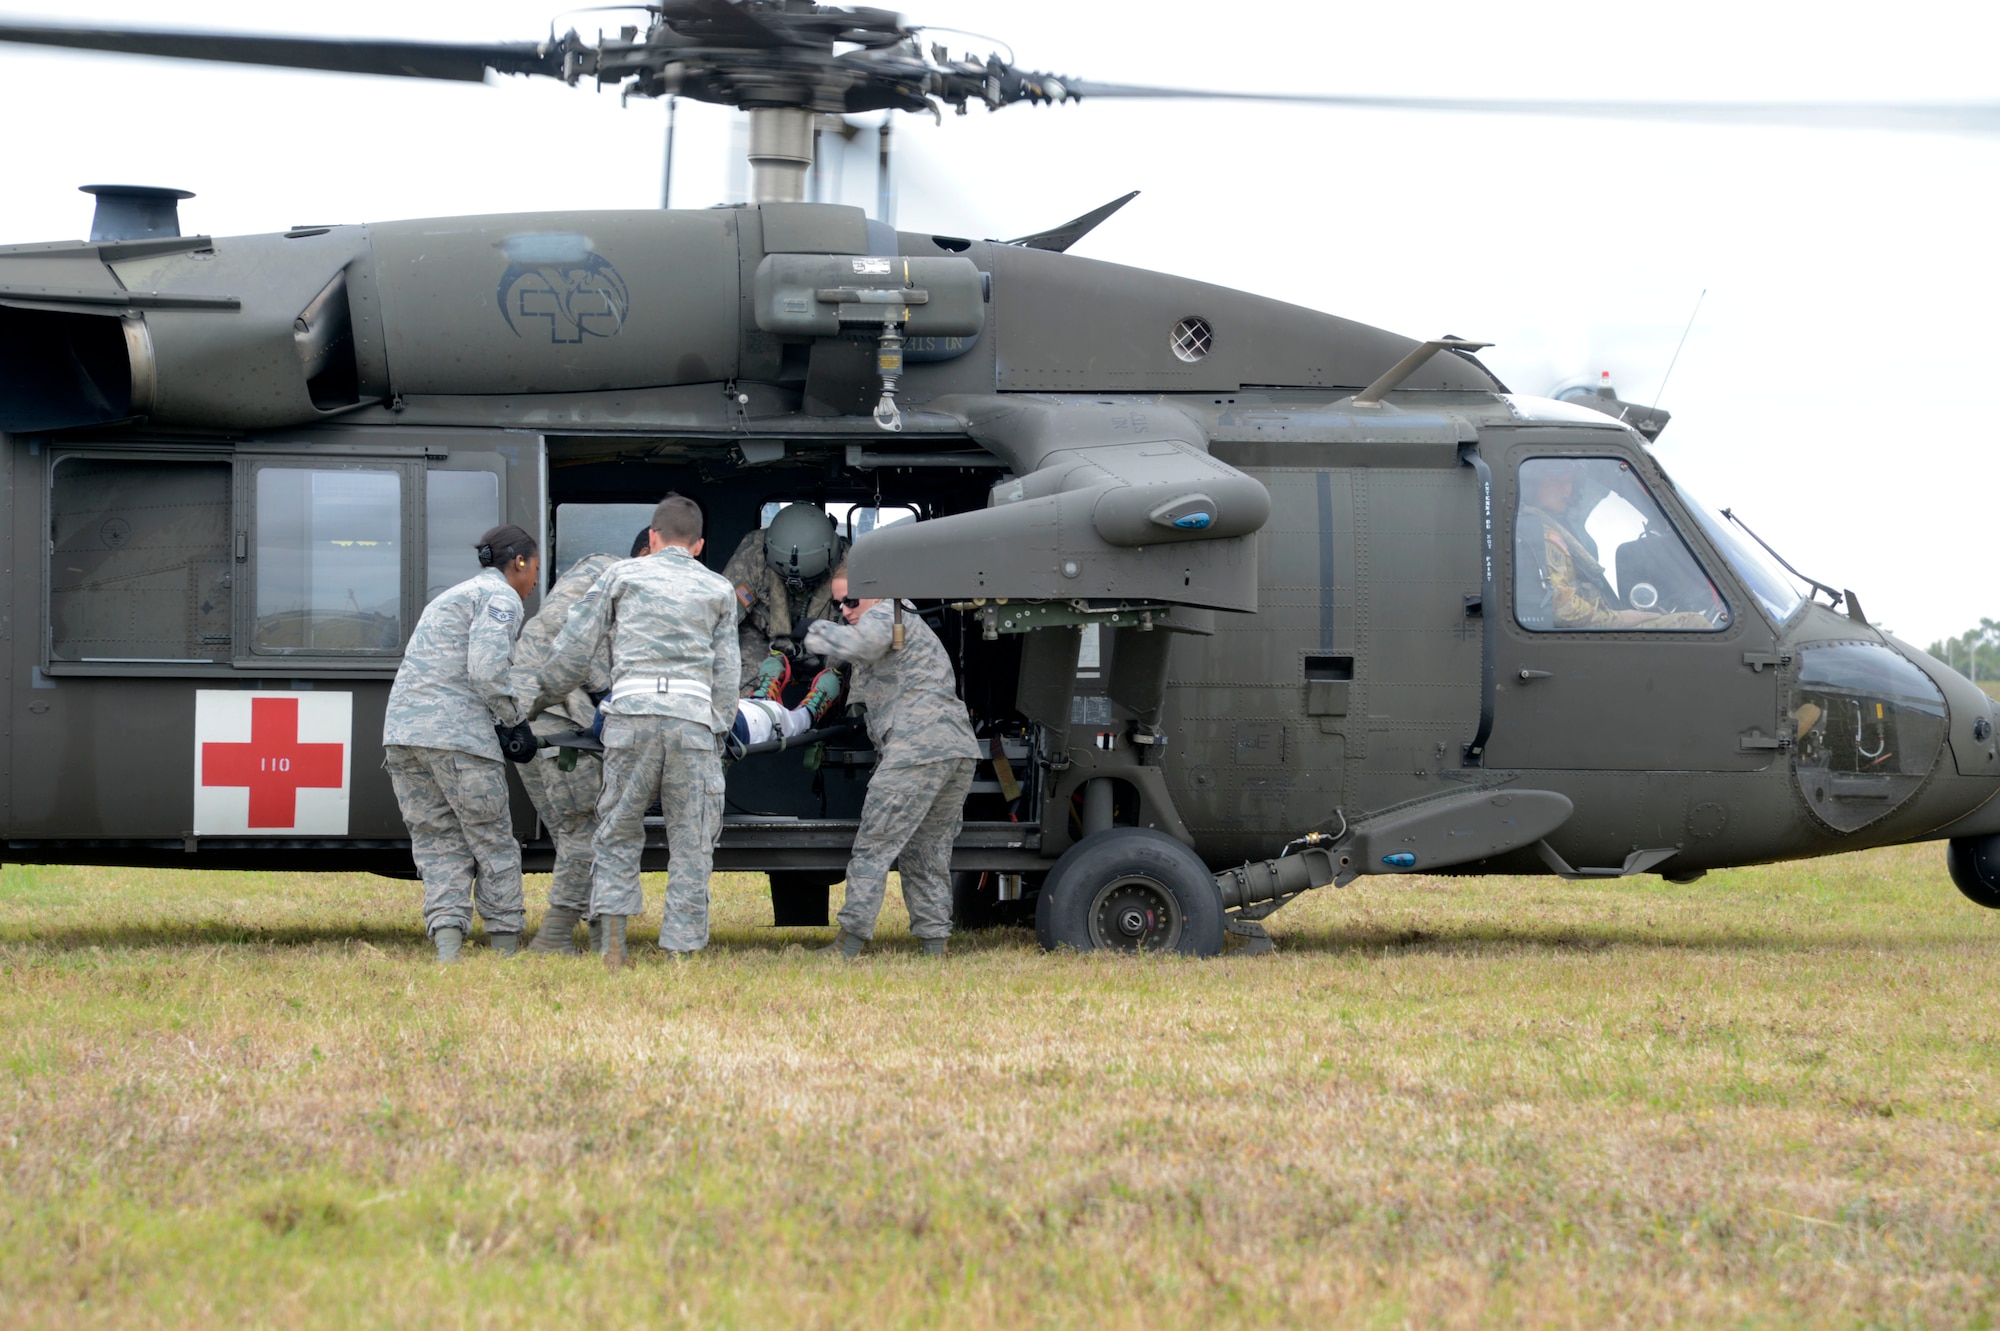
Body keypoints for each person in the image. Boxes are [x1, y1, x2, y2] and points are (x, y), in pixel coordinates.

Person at [527, 494, 738, 969]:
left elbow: (572, 652)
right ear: (699, 545)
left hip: (629, 718)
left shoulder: (620, 576)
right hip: (691, 720)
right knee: (691, 840)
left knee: (618, 832)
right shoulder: (718, 589)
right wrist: (718, 735)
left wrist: (541, 697)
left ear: (653, 537)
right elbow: (727, 675)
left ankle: (614, 946)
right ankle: (681, 953)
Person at [803, 563, 979, 959]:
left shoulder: (887, 612)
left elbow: (860, 644)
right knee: (927, 853)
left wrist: (812, 632)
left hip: (918, 748)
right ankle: (934, 948)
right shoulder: (895, 621)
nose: (845, 610)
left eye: (851, 600)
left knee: (873, 847)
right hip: (955, 750)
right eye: (838, 605)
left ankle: (847, 946)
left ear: (877, 591)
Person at [382, 523, 539, 963]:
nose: (533, 585)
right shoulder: (500, 597)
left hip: (403, 738)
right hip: (457, 739)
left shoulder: (452, 596)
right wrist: (515, 722)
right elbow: (487, 669)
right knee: (493, 840)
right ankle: (505, 946)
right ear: (520, 562)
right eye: (534, 570)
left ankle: (448, 949)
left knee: (437, 841)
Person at [514, 550, 620, 955]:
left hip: (529, 716)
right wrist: (608, 694)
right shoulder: (616, 575)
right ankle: (553, 939)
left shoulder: (588, 571)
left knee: (570, 831)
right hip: (559, 717)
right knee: (584, 830)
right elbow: (576, 642)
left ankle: (598, 935)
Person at [1521, 462, 1709, 631]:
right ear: (1534, 484)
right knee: (1693, 624)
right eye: (1560, 482)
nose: (1567, 491)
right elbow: (1561, 608)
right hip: (1585, 637)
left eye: (1570, 483)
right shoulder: (1538, 533)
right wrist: (1619, 619)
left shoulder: (1548, 527)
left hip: (1588, 630)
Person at [723, 502, 847, 695]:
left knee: (846, 669)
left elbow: (863, 623)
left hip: (828, 642)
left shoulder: (849, 564)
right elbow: (723, 614)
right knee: (748, 670)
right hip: (764, 639)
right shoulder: (752, 555)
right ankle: (750, 714)